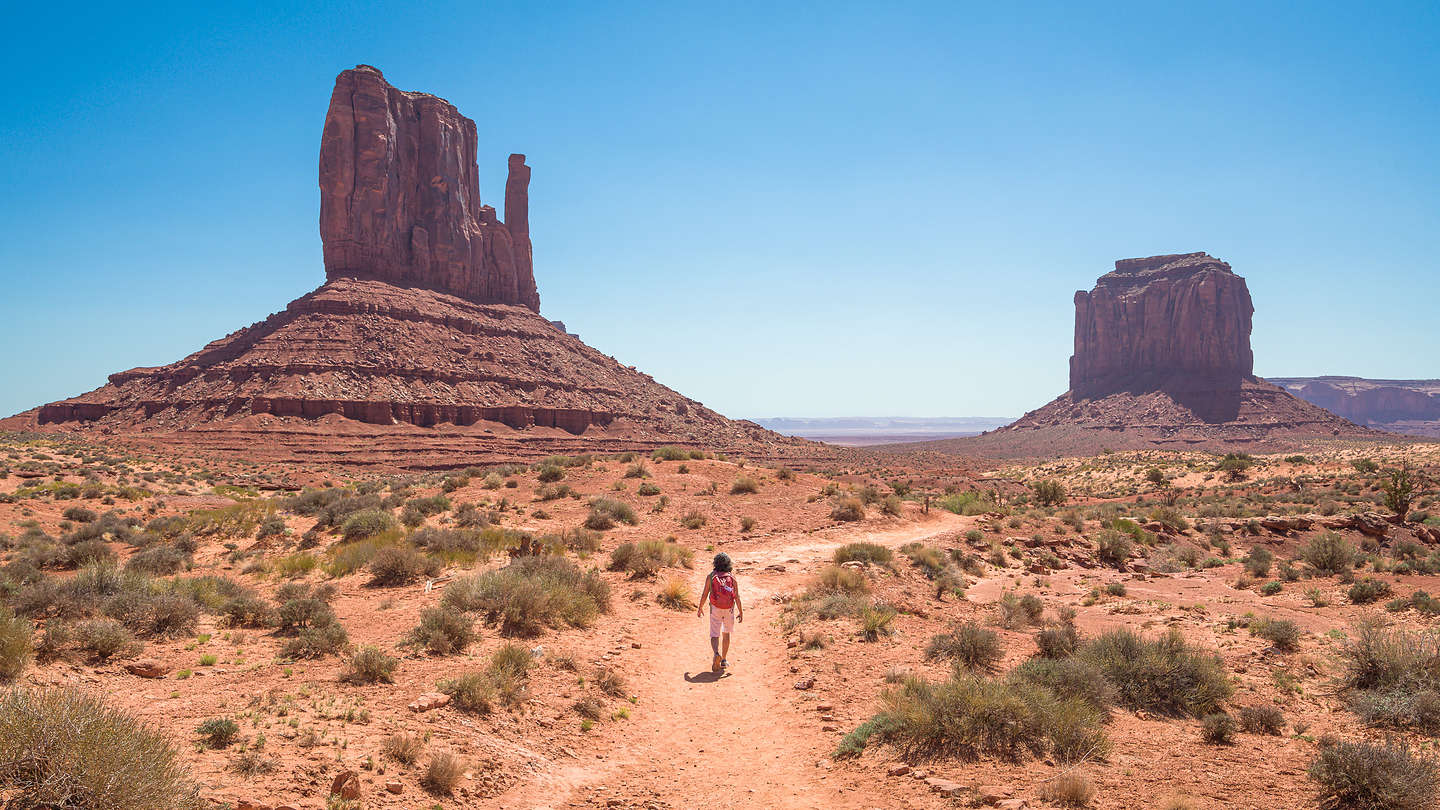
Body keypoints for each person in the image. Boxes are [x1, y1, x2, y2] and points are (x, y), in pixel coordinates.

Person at [697, 552, 743, 672]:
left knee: (714, 634)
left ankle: (716, 653)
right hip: (729, 609)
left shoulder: (711, 576)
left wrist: (700, 607)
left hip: (715, 608)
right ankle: (724, 659)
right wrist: (741, 611)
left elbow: (704, 594)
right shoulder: (731, 577)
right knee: (726, 634)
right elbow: (736, 596)